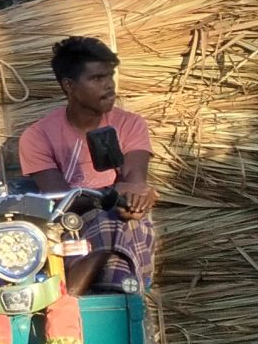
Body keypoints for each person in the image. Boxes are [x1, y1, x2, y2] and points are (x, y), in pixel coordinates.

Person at [17, 34, 158, 293]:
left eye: (110, 76)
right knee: (112, 222)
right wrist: (112, 197)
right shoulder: (37, 136)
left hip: (122, 223)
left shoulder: (130, 124)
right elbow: (61, 201)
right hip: (69, 228)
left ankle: (70, 303)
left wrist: (138, 198)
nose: (109, 86)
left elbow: (135, 178)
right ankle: (120, 299)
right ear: (69, 86)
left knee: (129, 221)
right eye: (97, 78)